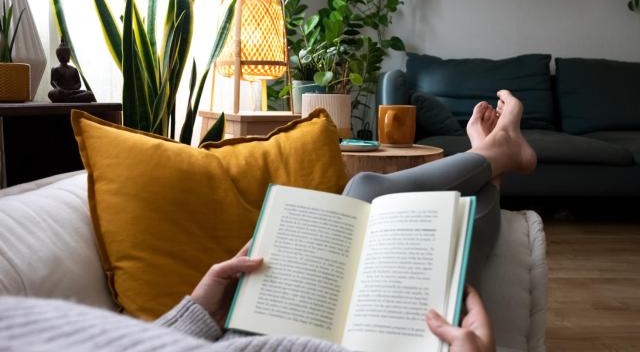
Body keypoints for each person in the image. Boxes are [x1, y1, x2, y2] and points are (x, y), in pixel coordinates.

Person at [0, 90, 536, 352]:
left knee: (363, 192)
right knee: (371, 194)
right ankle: (491, 161)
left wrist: (195, 311)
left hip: (244, 329)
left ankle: (491, 163)